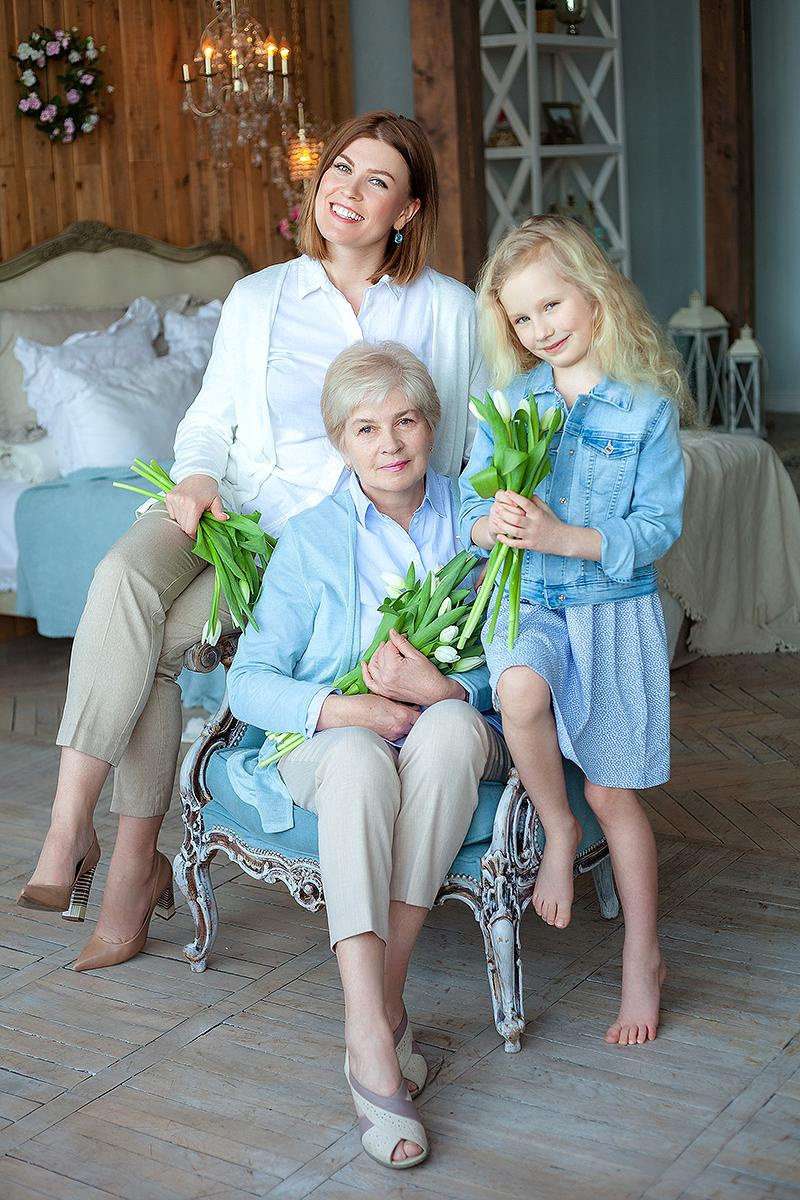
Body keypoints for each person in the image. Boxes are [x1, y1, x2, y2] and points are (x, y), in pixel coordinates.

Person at [18, 111, 485, 973]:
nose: (347, 190)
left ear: (408, 209)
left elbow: (457, 451)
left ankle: (130, 869)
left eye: (376, 180)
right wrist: (194, 476)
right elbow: (207, 421)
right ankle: (68, 826)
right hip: (230, 512)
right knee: (121, 576)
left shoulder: (446, 309)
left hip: (307, 555)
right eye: (341, 169)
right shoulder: (262, 294)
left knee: (156, 648)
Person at [226, 342, 509, 1169]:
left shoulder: (478, 521)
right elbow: (249, 681)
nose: (390, 443)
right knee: (353, 755)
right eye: (365, 427)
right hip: (328, 745)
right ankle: (371, 1031)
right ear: (341, 442)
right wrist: (347, 707)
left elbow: (525, 651)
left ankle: (382, 1005)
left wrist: (442, 691)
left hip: (451, 731)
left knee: (451, 731)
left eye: (407, 420)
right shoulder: (311, 540)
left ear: (433, 426)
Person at [460, 215, 692, 1046]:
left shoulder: (644, 411)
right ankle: (556, 829)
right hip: (533, 602)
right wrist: (491, 525)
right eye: (523, 319)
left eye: (552, 305)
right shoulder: (510, 405)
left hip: (613, 609)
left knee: (612, 791)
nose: (541, 329)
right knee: (519, 690)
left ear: (593, 294)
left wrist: (565, 535)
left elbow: (656, 528)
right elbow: (465, 504)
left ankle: (642, 952)